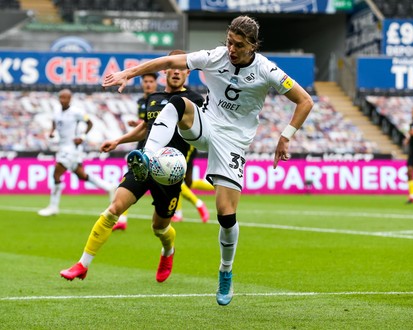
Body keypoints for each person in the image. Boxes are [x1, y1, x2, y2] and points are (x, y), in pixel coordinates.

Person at [102, 15, 314, 306]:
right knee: (177, 102)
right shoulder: (215, 56)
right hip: (207, 123)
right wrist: (129, 72)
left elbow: (305, 100)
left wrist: (286, 136)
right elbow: (168, 63)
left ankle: (225, 271)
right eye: (229, 41)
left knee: (226, 215)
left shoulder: (267, 69)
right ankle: (148, 158)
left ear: (252, 45)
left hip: (234, 141)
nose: (231, 49)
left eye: (238, 45)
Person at [59, 50, 205, 284]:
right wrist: (118, 140)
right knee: (115, 207)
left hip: (169, 173)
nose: (177, 72)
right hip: (144, 164)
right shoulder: (153, 98)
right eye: (173, 68)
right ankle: (82, 264)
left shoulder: (194, 100)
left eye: (182, 68)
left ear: (188, 71)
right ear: (165, 70)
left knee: (159, 228)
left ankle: (168, 251)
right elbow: (145, 128)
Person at [38, 89, 115, 217]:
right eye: (61, 98)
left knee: (56, 174)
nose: (63, 100)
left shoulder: (76, 112)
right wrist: (52, 131)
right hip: (63, 147)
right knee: (81, 175)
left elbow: (90, 122)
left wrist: (82, 137)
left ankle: (53, 207)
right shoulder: (57, 111)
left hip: (72, 148)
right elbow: (54, 121)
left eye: (65, 98)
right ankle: (109, 187)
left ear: (70, 99)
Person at [113, 73, 158, 230]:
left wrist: (138, 123)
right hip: (141, 144)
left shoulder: (159, 100)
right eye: (145, 81)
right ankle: (122, 219)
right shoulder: (141, 101)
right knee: (130, 179)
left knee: (169, 180)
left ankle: (190, 207)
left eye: (151, 81)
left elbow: (155, 123)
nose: (148, 84)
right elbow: (145, 125)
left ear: (156, 83)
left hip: (157, 146)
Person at [171, 145, 213, 223]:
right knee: (187, 183)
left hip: (184, 146)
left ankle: (198, 204)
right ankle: (217, 187)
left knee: (177, 181)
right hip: (187, 146)